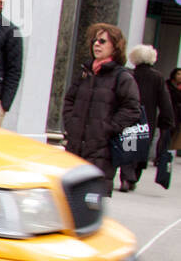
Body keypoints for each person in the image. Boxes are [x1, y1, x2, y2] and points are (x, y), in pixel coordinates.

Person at [62, 23, 142, 195]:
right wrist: (71, 123)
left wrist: (107, 128)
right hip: (75, 148)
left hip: (101, 152)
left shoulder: (122, 77)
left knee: (90, 203)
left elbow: (132, 109)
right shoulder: (86, 72)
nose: (96, 44)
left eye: (102, 41)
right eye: (94, 41)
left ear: (115, 47)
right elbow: (69, 99)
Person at [120, 45, 175, 191]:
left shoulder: (128, 74)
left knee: (128, 146)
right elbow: (164, 101)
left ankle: (126, 176)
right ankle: (133, 177)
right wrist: (167, 120)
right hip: (147, 118)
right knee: (141, 148)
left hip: (128, 116)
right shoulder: (157, 77)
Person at [170, 68, 181, 157]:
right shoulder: (169, 85)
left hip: (178, 116)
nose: (180, 76)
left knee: (174, 136)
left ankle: (168, 154)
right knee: (166, 136)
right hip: (170, 114)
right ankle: (161, 156)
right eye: (178, 74)